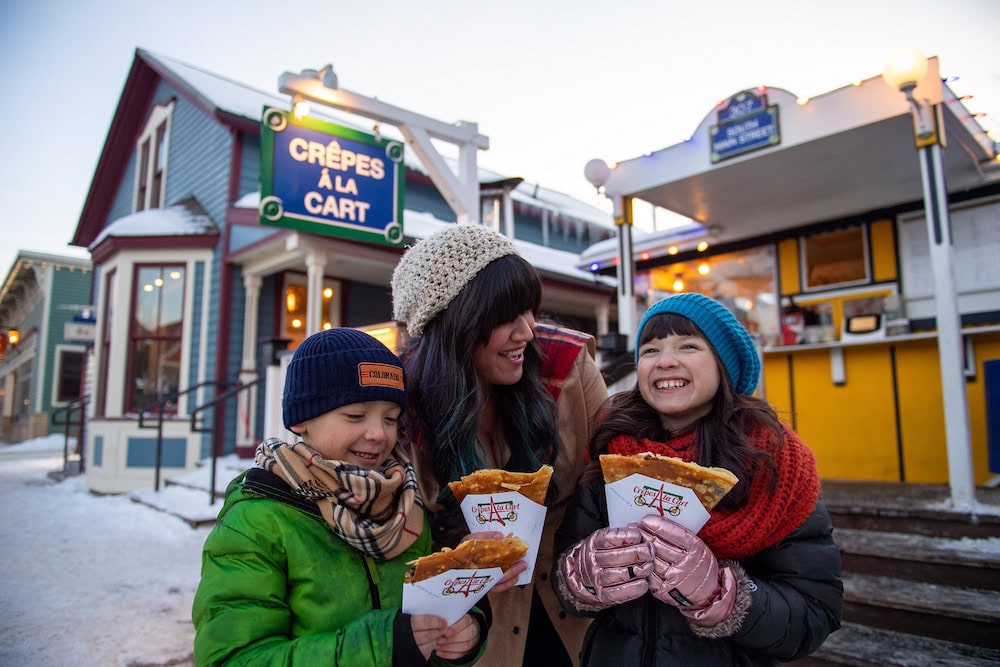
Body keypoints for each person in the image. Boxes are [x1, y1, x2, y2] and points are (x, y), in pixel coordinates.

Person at [552, 293, 843, 666]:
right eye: (651, 350)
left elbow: (814, 615)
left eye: (687, 346)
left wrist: (723, 595)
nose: (665, 361)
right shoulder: (612, 452)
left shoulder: (775, 466)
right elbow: (565, 582)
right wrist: (584, 576)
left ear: (724, 364)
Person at [191, 328, 489, 666]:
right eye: (355, 416)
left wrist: (461, 633)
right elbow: (231, 658)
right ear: (303, 420)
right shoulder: (257, 522)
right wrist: (386, 646)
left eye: (391, 419)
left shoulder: (405, 507)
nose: (378, 434)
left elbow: (421, 625)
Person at [390, 223, 609, 667]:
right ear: (453, 323)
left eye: (530, 310)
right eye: (505, 315)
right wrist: (457, 549)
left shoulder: (565, 366)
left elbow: (615, 472)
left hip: (575, 614)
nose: (526, 332)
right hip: (470, 634)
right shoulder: (400, 404)